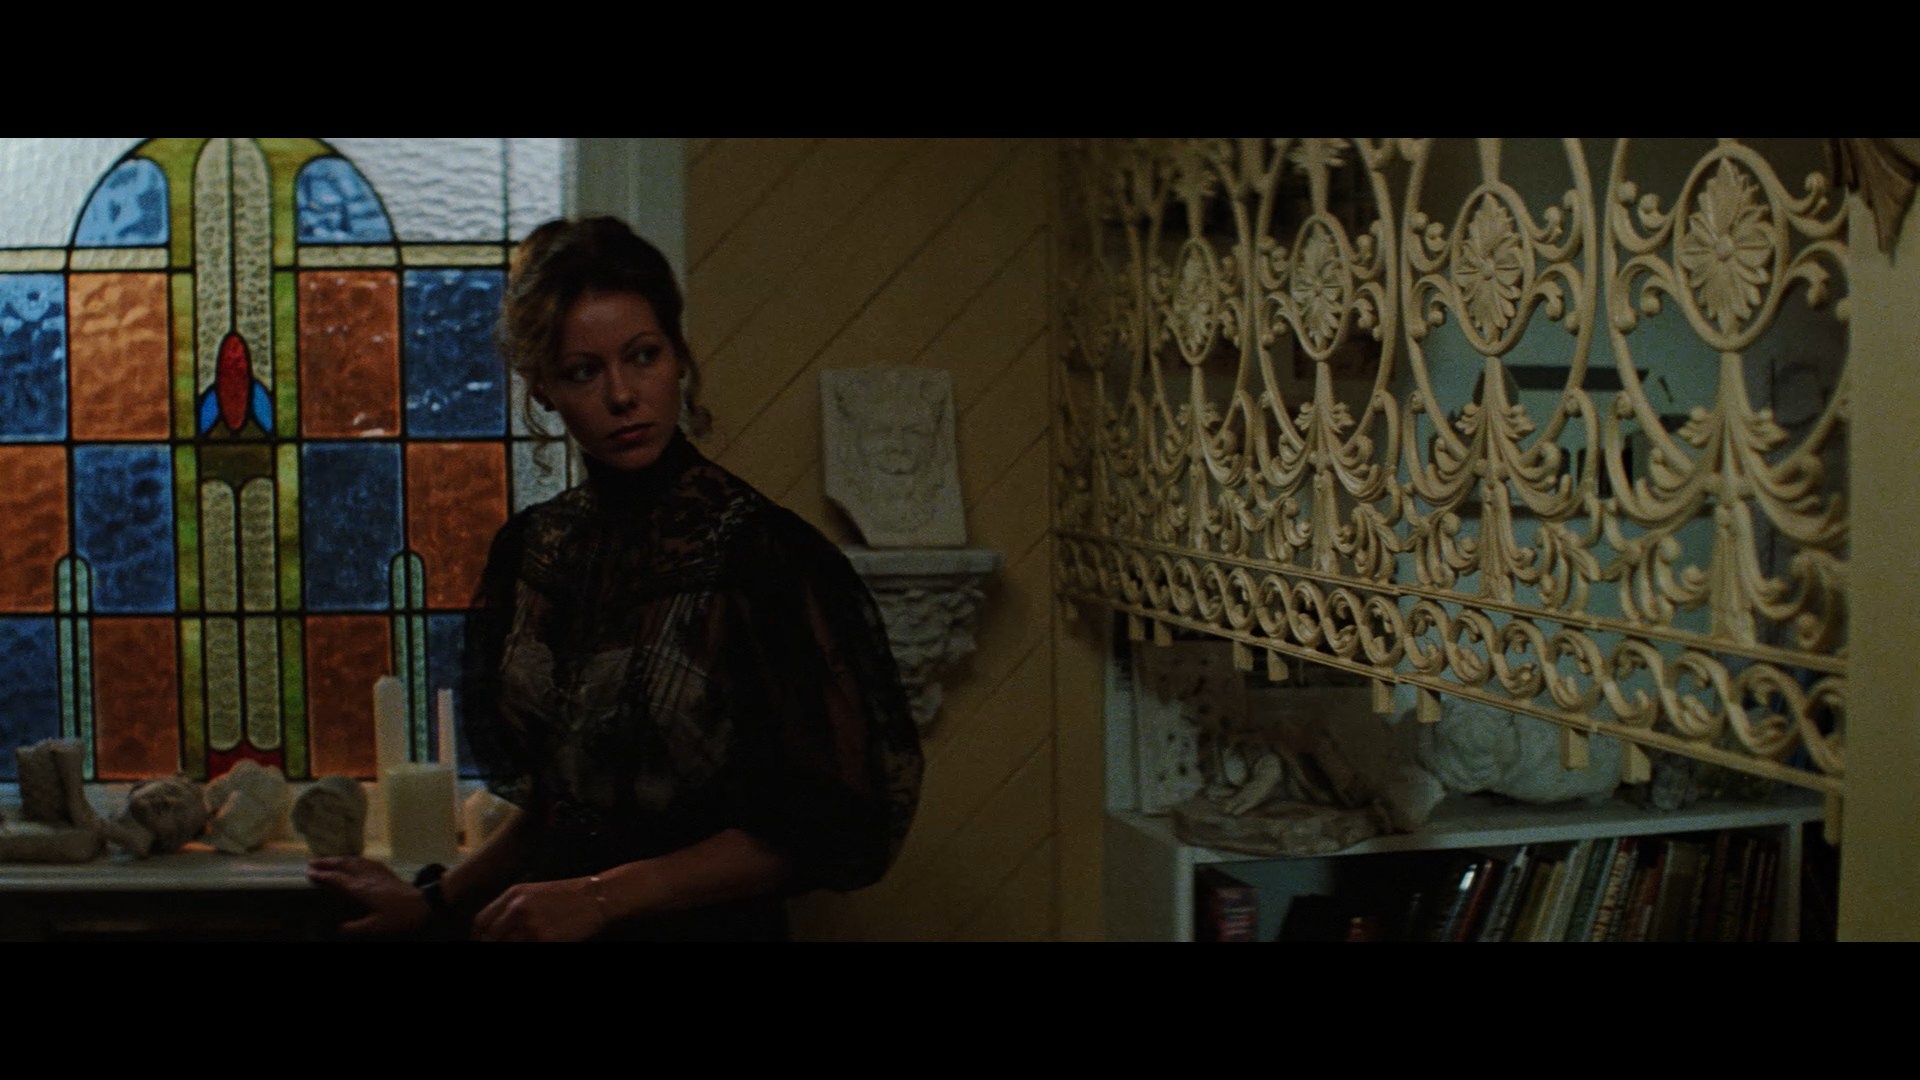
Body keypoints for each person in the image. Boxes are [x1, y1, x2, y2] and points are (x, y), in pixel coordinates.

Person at [308, 217, 923, 941]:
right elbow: (561, 805)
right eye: (584, 371)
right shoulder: (535, 550)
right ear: (542, 388)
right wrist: (436, 900)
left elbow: (825, 823)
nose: (623, 395)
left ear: (679, 356)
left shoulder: (763, 556)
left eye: (643, 356)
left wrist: (600, 898)